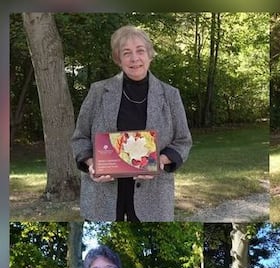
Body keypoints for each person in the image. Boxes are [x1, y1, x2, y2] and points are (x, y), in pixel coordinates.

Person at [71, 25, 192, 221]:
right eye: (126, 53)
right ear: (118, 59)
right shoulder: (98, 91)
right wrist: (92, 165)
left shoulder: (170, 95)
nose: (134, 58)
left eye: (140, 51)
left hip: (153, 196)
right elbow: (80, 138)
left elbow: (183, 141)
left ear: (150, 55)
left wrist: (159, 163)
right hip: (103, 195)